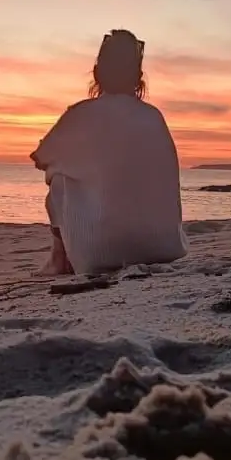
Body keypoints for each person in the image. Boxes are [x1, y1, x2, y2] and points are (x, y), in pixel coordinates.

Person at [30, 29, 189, 275]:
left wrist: (75, 159)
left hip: (101, 254)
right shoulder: (154, 116)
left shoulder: (81, 114)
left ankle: (58, 258)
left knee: (57, 175)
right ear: (138, 77)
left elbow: (41, 158)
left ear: (96, 73)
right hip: (164, 247)